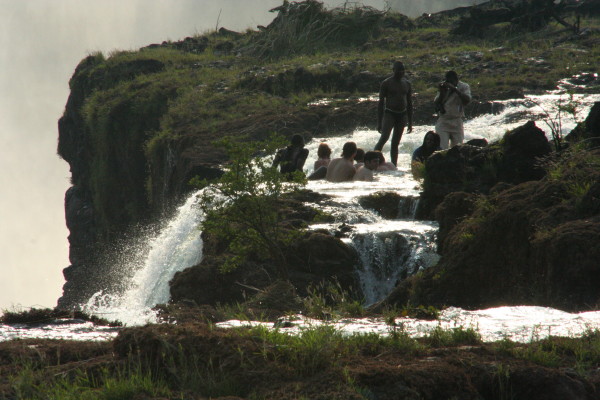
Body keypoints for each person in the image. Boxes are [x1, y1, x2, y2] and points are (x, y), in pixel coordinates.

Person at [374, 60, 413, 166]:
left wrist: (410, 122)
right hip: (389, 113)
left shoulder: (407, 83)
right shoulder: (386, 83)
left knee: (395, 143)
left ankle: (394, 166)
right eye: (398, 70)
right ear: (393, 70)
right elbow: (381, 103)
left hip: (402, 114)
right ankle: (372, 161)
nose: (401, 72)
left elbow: (409, 104)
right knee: (384, 138)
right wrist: (379, 122)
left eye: (402, 70)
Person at [434, 70, 471, 149]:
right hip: (444, 120)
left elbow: (467, 100)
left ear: (456, 79)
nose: (449, 83)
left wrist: (455, 89)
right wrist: (442, 92)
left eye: (451, 81)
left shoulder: (464, 86)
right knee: (442, 148)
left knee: (458, 149)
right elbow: (436, 102)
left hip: (457, 121)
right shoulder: (444, 87)